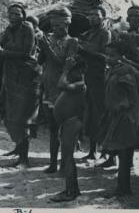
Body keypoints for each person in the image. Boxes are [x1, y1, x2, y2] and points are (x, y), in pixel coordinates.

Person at [0, 0, 41, 168]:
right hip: (10, 77)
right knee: (10, 114)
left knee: (22, 116)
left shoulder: (28, 28)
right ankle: (18, 149)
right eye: (10, 14)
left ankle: (24, 159)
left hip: (26, 77)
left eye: (17, 14)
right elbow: (1, 44)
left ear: (23, 15)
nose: (13, 16)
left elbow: (26, 51)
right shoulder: (8, 30)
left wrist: (4, 52)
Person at [98, 40, 139, 197]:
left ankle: (124, 188)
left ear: (122, 56)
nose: (108, 58)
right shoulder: (113, 70)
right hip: (117, 115)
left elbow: (132, 94)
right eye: (107, 54)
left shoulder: (124, 71)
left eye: (113, 55)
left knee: (125, 153)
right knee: (121, 151)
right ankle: (122, 187)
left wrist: (122, 105)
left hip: (126, 117)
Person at [38, 7, 78, 173]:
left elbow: (64, 63)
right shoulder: (48, 39)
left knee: (65, 129)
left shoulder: (72, 42)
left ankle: (65, 165)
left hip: (63, 88)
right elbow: (42, 60)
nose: (57, 29)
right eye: (54, 26)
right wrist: (41, 48)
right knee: (53, 129)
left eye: (61, 26)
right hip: (48, 86)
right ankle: (53, 162)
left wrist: (47, 47)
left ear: (67, 24)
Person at [50, 56, 86, 202]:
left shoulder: (81, 84)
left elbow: (60, 84)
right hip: (68, 123)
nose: (71, 74)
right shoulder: (76, 82)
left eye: (74, 71)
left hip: (72, 123)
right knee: (67, 157)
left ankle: (71, 191)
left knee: (68, 157)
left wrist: (66, 68)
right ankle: (73, 189)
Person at [78, 6, 112, 162]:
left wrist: (84, 51)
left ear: (103, 18)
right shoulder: (87, 34)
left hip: (100, 77)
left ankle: (105, 151)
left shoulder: (105, 34)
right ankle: (92, 151)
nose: (92, 18)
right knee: (89, 113)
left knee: (101, 113)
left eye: (96, 15)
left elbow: (105, 57)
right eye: (90, 15)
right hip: (88, 76)